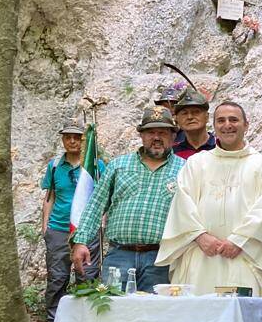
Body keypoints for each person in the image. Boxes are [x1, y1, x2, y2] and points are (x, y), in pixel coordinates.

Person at [156, 101, 262, 296]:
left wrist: (239, 241)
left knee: (242, 319)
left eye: (234, 120)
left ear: (246, 125)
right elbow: (182, 203)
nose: (227, 125)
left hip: (245, 256)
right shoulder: (197, 163)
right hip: (201, 254)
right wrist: (200, 236)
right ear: (214, 126)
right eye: (221, 120)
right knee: (199, 318)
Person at [71, 106, 185, 293]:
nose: (156, 137)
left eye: (162, 132)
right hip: (119, 256)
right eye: (150, 132)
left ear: (173, 136)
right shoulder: (119, 165)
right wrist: (81, 241)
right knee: (113, 311)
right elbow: (95, 205)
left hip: (161, 259)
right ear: (141, 135)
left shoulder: (184, 169)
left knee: (155, 314)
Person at [39, 121, 104, 322]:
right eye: (68, 137)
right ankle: (55, 321)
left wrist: (101, 222)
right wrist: (45, 226)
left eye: (77, 137)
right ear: (63, 139)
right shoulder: (55, 166)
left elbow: (102, 196)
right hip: (58, 229)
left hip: (87, 229)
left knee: (87, 274)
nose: (73, 141)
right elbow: (50, 196)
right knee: (57, 277)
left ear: (84, 140)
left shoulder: (96, 165)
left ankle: (87, 320)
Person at [171, 87, 216, 159]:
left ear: (207, 117)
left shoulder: (220, 147)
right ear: (177, 119)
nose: (190, 117)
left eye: (196, 112)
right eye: (184, 113)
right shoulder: (172, 153)